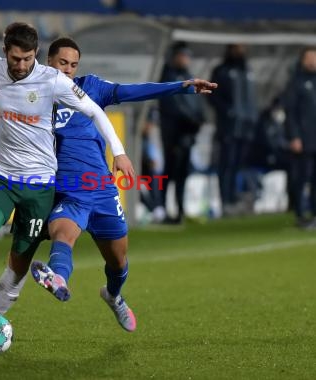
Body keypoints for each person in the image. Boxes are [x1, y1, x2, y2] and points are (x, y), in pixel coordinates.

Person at [0, 22, 134, 339]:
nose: (21, 65)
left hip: (40, 185)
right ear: (6, 53)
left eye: (28, 58)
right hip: (1, 176)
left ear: (36, 55)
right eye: (16, 59)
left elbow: (95, 112)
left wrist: (120, 152)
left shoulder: (53, 80)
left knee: (19, 260)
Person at [29, 37, 217, 332]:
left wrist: (180, 86)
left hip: (101, 189)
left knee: (118, 261)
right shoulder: (33, 94)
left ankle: (113, 295)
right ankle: (58, 277)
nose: (67, 70)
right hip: (68, 189)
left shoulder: (88, 88)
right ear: (48, 61)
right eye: (62, 63)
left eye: (73, 65)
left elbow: (132, 91)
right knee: (62, 235)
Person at [159, 41, 206, 224]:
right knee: (169, 172)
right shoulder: (168, 77)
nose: (185, 59)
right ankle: (163, 209)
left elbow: (197, 103)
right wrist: (192, 120)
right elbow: (174, 106)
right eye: (182, 55)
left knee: (182, 173)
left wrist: (199, 119)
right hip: (173, 133)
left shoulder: (189, 77)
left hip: (187, 133)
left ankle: (180, 209)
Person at [209, 44, 259, 216]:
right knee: (227, 165)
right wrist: (228, 112)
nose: (241, 51)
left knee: (239, 165)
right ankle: (226, 201)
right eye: (237, 48)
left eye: (242, 47)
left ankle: (235, 199)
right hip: (228, 127)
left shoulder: (248, 70)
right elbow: (213, 96)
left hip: (246, 127)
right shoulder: (222, 71)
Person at [283, 46, 316, 229]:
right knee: (302, 177)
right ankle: (300, 214)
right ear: (302, 60)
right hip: (304, 140)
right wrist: (294, 136)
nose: (312, 61)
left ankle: (314, 213)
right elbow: (291, 113)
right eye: (309, 58)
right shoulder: (296, 83)